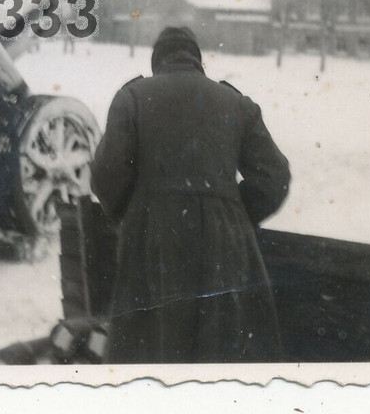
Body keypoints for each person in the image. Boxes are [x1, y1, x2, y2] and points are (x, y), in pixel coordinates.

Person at [90, 26, 291, 362]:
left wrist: (135, 213)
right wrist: (234, 212)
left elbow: (106, 177)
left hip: (152, 240)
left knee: (150, 352)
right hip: (224, 245)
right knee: (221, 350)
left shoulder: (133, 97)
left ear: (158, 61)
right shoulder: (236, 103)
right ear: (198, 61)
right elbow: (275, 177)